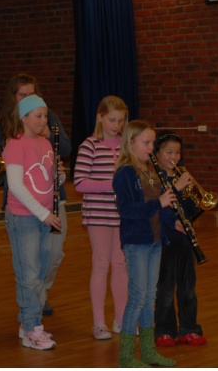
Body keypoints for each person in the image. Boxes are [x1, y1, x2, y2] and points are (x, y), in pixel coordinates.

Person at [0, 72, 71, 319]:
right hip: (24, 206)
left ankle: (37, 301)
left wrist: (58, 170)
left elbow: (65, 148)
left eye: (31, 94)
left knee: (51, 258)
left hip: (50, 200)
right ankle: (31, 317)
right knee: (29, 267)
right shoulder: (4, 129)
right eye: (22, 95)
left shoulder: (46, 123)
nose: (43, 119)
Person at [112, 119, 178, 368]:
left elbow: (159, 209)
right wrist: (159, 203)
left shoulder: (151, 170)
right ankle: (126, 356)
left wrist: (174, 221)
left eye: (152, 143)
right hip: (137, 241)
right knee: (138, 297)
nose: (151, 148)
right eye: (146, 143)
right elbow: (127, 210)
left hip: (155, 240)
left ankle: (148, 352)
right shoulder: (126, 173)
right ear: (131, 143)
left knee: (150, 296)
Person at [2, 94, 62, 350]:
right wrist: (43, 214)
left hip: (43, 216)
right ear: (24, 118)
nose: (43, 120)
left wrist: (59, 175)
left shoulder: (46, 143)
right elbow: (16, 186)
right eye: (38, 115)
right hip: (24, 217)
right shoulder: (16, 144)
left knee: (40, 272)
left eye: (45, 115)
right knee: (28, 275)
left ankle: (27, 321)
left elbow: (46, 179)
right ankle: (32, 329)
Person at [73, 95, 129, 340]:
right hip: (98, 214)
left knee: (120, 264)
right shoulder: (90, 145)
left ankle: (121, 319)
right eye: (112, 120)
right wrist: (112, 184)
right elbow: (79, 182)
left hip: (123, 214)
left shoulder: (126, 145)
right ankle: (99, 323)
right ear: (100, 117)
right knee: (101, 264)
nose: (116, 125)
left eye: (121, 120)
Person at [153, 131, 207, 347]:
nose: (174, 157)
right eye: (168, 152)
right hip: (164, 239)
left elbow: (192, 209)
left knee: (188, 288)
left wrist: (193, 194)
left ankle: (189, 328)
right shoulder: (153, 178)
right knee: (165, 289)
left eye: (177, 152)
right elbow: (157, 209)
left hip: (184, 240)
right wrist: (177, 188)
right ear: (157, 153)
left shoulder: (182, 176)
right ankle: (164, 330)